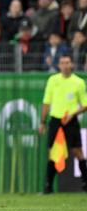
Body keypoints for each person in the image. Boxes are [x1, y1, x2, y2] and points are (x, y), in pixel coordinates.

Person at [39, 55, 87, 193]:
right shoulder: (53, 80)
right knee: (52, 152)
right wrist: (42, 121)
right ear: (59, 65)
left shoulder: (78, 82)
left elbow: (85, 104)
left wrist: (73, 114)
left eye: (67, 62)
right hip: (55, 120)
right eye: (62, 63)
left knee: (77, 151)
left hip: (71, 120)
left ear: (71, 64)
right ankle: (48, 187)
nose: (65, 65)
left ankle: (85, 182)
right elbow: (46, 102)